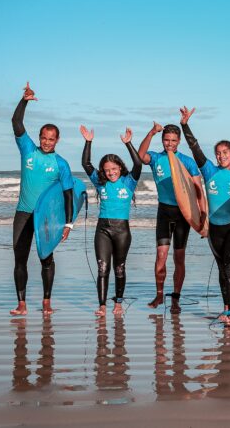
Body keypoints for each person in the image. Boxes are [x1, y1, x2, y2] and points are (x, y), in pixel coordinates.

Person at [179, 106, 230, 328]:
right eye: (218, 153)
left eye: (225, 152)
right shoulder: (209, 171)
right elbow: (195, 149)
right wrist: (185, 125)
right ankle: (226, 307)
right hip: (215, 229)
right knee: (221, 269)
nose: (221, 156)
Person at [10, 82, 75, 316]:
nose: (47, 141)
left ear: (57, 140)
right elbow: (16, 123)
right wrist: (24, 100)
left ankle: (47, 302)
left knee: (46, 258)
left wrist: (68, 223)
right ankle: (22, 304)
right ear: (39, 137)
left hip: (46, 217)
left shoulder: (61, 164)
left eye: (51, 138)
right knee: (20, 259)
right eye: (44, 138)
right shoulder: (28, 150)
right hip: (24, 212)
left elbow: (68, 194)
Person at [138, 118, 201, 314]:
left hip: (184, 214)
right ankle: (159, 294)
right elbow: (141, 156)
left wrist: (202, 218)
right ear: (162, 140)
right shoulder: (157, 158)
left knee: (179, 258)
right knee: (161, 256)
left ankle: (175, 298)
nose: (170, 144)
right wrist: (152, 132)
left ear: (179, 141)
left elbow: (198, 191)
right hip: (164, 211)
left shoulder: (188, 162)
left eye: (173, 140)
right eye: (166, 140)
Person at [80, 126, 142, 316]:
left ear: (120, 168)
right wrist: (88, 141)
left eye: (114, 169)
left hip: (122, 230)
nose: (110, 173)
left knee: (119, 268)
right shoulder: (100, 182)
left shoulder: (129, 181)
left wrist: (128, 143)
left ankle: (118, 302)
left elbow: (138, 164)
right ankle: (102, 306)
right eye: (107, 170)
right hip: (103, 230)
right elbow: (86, 163)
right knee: (103, 267)